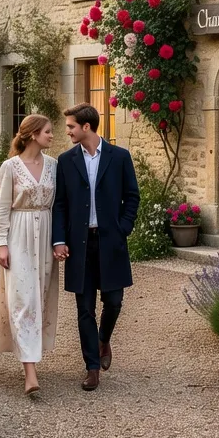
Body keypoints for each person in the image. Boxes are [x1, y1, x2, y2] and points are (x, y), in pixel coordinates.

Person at [52, 103, 140, 391]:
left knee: (114, 301)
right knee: (84, 308)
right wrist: (60, 239)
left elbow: (132, 196)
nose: (68, 131)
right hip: (79, 244)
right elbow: (60, 204)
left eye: (71, 127)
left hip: (110, 241)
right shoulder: (65, 161)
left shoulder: (119, 157)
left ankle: (103, 340)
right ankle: (92, 367)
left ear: (86, 127)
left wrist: (122, 228)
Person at [0, 114, 60, 396]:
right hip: (19, 234)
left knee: (39, 296)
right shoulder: (9, 167)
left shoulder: (54, 166)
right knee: (23, 299)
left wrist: (59, 241)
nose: (52, 136)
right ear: (32, 134)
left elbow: (59, 206)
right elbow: (1, 208)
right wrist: (2, 244)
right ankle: (30, 373)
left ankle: (30, 358)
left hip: (44, 233)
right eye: (47, 131)